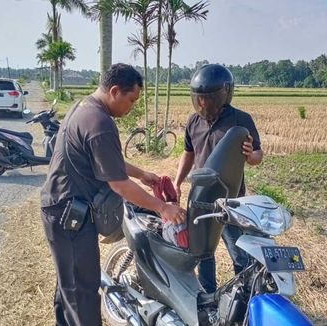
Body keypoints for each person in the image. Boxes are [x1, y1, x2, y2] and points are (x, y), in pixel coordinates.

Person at [40, 63, 186, 326]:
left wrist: (142, 174)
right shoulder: (100, 123)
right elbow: (119, 184)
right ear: (115, 91)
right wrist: (162, 208)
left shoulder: (84, 108)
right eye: (131, 100)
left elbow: (106, 160)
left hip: (61, 209)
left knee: (69, 284)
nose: (130, 108)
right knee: (81, 292)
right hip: (69, 215)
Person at [173, 64, 263, 293]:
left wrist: (250, 154)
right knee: (203, 253)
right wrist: (177, 181)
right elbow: (188, 153)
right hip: (201, 198)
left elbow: (257, 156)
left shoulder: (241, 121)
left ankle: (244, 295)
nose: (202, 103)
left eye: (208, 98)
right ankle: (208, 295)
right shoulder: (193, 121)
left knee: (239, 253)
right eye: (198, 98)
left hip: (230, 200)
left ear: (224, 95)